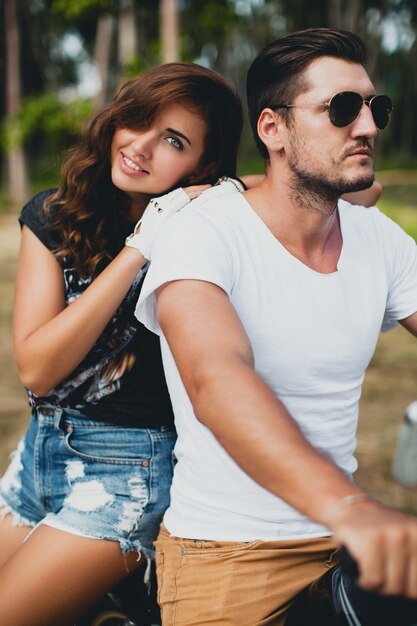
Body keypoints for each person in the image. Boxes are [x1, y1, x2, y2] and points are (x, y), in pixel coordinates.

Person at [136, 28, 417, 626]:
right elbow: (217, 380)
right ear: (273, 129)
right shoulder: (203, 234)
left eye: (375, 107)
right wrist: (349, 507)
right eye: (341, 109)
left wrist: (350, 520)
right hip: (229, 552)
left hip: (351, 543)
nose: (366, 125)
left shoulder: (381, 241)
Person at [0, 62, 244, 626]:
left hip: (125, 474)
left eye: (174, 141)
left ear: (202, 165)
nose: (141, 146)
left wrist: (206, 205)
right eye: (138, 121)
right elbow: (37, 367)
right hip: (39, 453)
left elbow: (353, 192)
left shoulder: (205, 234)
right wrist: (139, 247)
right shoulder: (55, 216)